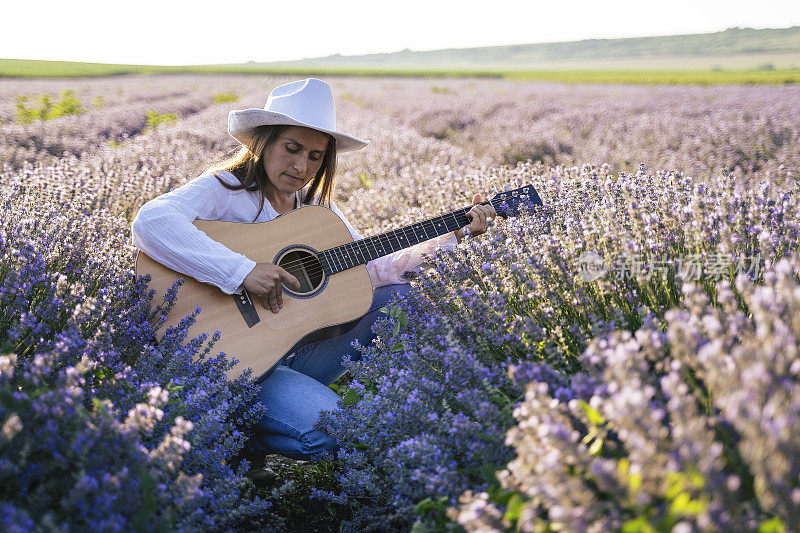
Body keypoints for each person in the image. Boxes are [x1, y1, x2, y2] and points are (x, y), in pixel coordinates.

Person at [131, 78, 495, 465]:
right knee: (333, 433)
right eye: (292, 148)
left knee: (403, 299)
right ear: (262, 141)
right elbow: (150, 221)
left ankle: (249, 437)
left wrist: (453, 234)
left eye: (316, 156)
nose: (301, 166)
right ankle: (236, 436)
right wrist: (241, 271)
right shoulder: (224, 189)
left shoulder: (315, 209)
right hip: (228, 358)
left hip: (289, 349)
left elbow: (377, 270)